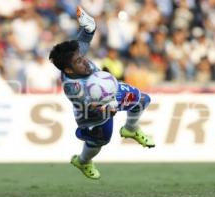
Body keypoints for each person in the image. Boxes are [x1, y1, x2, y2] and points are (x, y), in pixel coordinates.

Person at [49, 6, 154, 180]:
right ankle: (82, 161)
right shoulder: (75, 89)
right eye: (78, 61)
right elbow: (94, 108)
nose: (83, 61)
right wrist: (108, 109)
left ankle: (131, 129)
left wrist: (88, 23)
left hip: (107, 90)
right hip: (93, 113)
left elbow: (88, 31)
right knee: (100, 141)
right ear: (68, 69)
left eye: (81, 57)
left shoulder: (75, 56)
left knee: (142, 100)